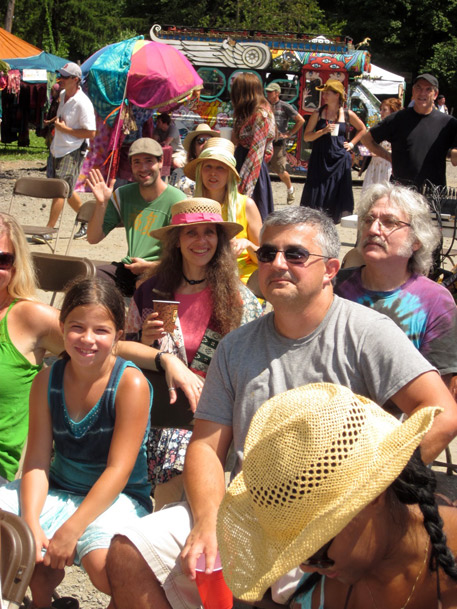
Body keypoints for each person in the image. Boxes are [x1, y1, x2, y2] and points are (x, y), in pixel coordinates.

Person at [105, 206, 457, 609]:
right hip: (250, 511)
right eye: (268, 253)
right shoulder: (236, 347)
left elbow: (441, 411)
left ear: (330, 269)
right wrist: (207, 521)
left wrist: (373, 486)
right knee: (130, 551)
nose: (277, 264)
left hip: (333, 518)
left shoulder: (367, 333)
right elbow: (205, 446)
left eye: (295, 254)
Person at [217, 383, 457, 608]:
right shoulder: (319, 594)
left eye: (316, 550)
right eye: (295, 551)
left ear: (373, 496)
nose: (305, 568)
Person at [0, 278, 152, 609]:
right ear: (62, 327)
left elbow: (118, 471)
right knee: (11, 533)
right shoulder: (47, 380)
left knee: (105, 568)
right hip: (59, 488)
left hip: (117, 496)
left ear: (118, 335)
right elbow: (37, 462)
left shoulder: (130, 383)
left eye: (101, 330)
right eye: (77, 327)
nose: (87, 339)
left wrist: (71, 530)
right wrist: (31, 522)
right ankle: (42, 600)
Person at [125, 197, 262, 509]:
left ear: (220, 239)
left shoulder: (239, 300)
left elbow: (253, 368)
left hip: (209, 417)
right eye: (191, 233)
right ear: (176, 240)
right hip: (154, 409)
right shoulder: (151, 291)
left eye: (209, 232)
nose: (201, 241)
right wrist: (147, 344)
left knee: (176, 464)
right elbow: (122, 352)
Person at [335, 183, 457, 397]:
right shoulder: (333, 286)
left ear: (416, 240)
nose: (373, 229)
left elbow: (443, 393)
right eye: (368, 220)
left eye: (389, 222)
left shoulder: (435, 302)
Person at [0, 212, 62, 483]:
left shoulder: (30, 318)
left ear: (16, 265)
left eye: (2, 260)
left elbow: (104, 348)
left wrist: (163, 359)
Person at [86, 138, 186, 296]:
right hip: (130, 268)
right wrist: (101, 204)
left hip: (164, 270)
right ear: (131, 166)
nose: (143, 168)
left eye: (149, 161)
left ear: (161, 162)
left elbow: (186, 256)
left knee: (144, 287)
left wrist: (151, 266)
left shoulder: (177, 201)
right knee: (88, 280)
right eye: (137, 162)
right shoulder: (123, 194)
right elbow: (93, 238)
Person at [32, 63, 96, 245]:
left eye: (65, 77)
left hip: (73, 150)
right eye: (60, 75)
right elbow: (64, 118)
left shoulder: (83, 103)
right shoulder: (62, 95)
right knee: (66, 190)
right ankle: (88, 220)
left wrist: (64, 129)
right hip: (58, 147)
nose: (60, 79)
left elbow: (91, 132)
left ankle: (48, 230)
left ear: (76, 80)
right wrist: (53, 121)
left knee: (59, 190)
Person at [184, 137, 262, 284]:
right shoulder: (192, 207)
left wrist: (248, 244)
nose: (213, 173)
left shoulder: (246, 205)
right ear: (200, 171)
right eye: (208, 166)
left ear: (229, 174)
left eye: (220, 167)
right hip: (202, 279)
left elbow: (264, 258)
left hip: (243, 280)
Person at [362, 73, 457, 189]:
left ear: (435, 94)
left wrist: (452, 154)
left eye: (428, 89)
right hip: (402, 190)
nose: (422, 93)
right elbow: (366, 139)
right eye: (419, 88)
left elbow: (454, 156)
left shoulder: (448, 123)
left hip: (433, 191)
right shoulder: (397, 119)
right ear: (413, 91)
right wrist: (389, 157)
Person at [299, 78, 366, 223]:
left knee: (336, 189)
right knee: (316, 188)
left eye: (327, 93)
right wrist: (323, 131)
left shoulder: (347, 114)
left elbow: (362, 129)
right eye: (324, 93)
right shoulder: (318, 113)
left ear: (337, 95)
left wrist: (352, 144)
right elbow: (307, 137)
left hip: (339, 157)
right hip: (320, 157)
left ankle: (332, 220)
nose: (324, 96)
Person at [231, 72, 276, 220]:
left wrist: (243, 187)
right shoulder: (248, 111)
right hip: (243, 162)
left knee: (251, 215)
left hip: (251, 170)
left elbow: (256, 153)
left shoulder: (260, 114)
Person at [265, 82, 305, 203]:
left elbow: (300, 120)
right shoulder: (264, 104)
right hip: (265, 142)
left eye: (270, 92)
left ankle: (290, 189)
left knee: (279, 169)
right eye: (267, 91)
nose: (268, 93)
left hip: (278, 143)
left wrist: (289, 133)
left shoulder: (284, 106)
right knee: (261, 167)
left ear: (277, 93)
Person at [361, 97, 402, 192]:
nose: (381, 112)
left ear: (392, 111)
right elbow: (366, 144)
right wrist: (364, 152)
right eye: (381, 109)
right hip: (374, 166)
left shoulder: (397, 129)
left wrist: (379, 153)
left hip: (387, 166)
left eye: (384, 110)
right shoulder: (378, 127)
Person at [170, 123, 220, 196]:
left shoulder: (221, 173)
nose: (205, 144)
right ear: (193, 149)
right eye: (201, 140)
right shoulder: (179, 173)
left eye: (209, 141)